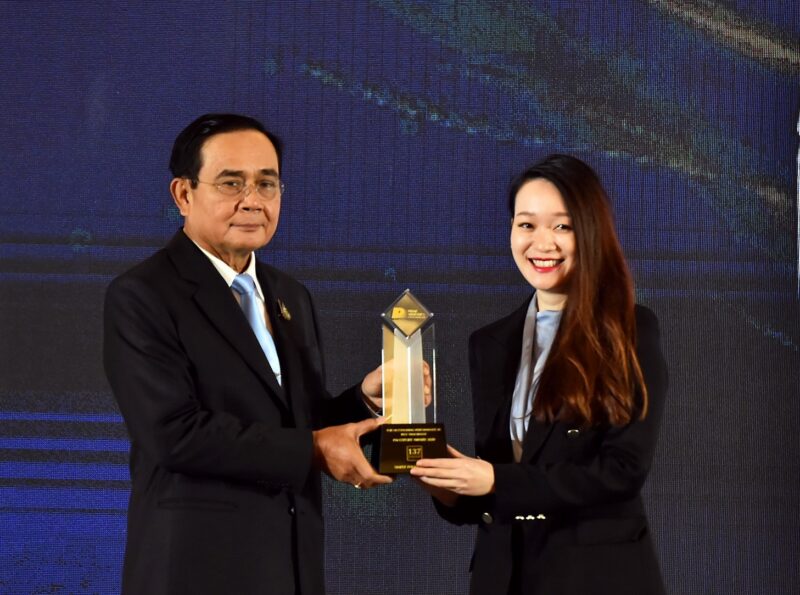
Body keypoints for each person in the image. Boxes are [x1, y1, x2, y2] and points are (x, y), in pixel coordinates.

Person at [103, 113, 392, 595]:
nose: (252, 201)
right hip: (196, 570)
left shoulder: (289, 294)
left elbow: (298, 423)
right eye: (231, 183)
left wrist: (362, 400)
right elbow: (174, 434)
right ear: (183, 194)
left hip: (290, 567)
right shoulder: (143, 294)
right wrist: (313, 449)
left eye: (267, 184)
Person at [410, 154, 668, 594]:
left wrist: (494, 479)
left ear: (591, 232)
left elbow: (621, 471)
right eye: (526, 224)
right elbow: (500, 485)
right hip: (503, 577)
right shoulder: (489, 343)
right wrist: (449, 485)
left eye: (562, 226)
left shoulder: (629, 329)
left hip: (595, 578)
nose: (541, 243)